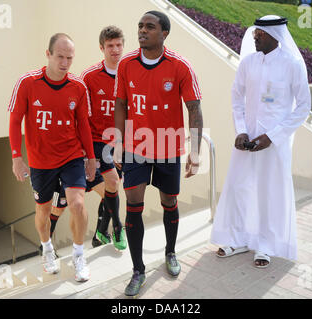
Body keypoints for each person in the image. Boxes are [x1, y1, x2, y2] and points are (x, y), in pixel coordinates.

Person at [113, 11, 203, 296]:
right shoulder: (126, 64)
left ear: (164, 33)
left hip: (168, 146)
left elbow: (194, 110)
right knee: (133, 202)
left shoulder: (180, 66)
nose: (142, 30)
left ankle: (170, 252)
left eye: (149, 27)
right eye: (140, 26)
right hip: (135, 147)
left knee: (169, 200)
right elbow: (120, 105)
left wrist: (196, 150)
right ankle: (138, 270)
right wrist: (117, 143)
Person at [210, 15, 311, 268]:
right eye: (255, 33)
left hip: (274, 143)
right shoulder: (248, 63)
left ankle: (265, 245)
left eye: (260, 34)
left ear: (275, 36)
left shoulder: (292, 65)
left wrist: (273, 137)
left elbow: (303, 108)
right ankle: (238, 238)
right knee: (240, 187)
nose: (255, 37)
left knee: (269, 192)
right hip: (247, 140)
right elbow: (236, 97)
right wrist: (241, 130)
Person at [8, 33, 96, 282]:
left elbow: (83, 125)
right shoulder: (27, 82)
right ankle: (47, 249)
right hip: (40, 160)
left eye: (70, 57)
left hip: (71, 155)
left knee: (77, 204)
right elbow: (15, 122)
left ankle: (79, 255)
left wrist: (90, 158)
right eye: (60, 56)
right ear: (47, 54)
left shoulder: (78, 87)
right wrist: (17, 157)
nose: (65, 62)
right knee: (43, 210)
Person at [80, 25, 127, 251]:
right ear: (102, 48)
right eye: (110, 45)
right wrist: (85, 150)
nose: (115, 49)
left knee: (113, 189)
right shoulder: (89, 77)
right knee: (112, 183)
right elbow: (80, 116)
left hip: (122, 142)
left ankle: (100, 231)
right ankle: (118, 227)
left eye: (119, 45)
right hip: (98, 141)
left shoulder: (131, 73)